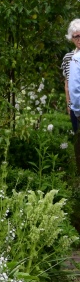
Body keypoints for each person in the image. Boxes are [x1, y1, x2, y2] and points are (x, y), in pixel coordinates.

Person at [63, 19, 80, 174]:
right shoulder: (68, 58)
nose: (79, 39)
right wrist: (69, 105)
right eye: (76, 36)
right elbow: (68, 84)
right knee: (78, 140)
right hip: (75, 107)